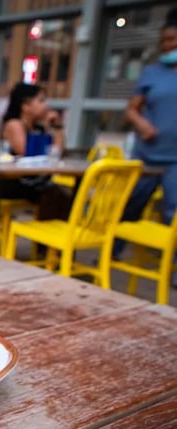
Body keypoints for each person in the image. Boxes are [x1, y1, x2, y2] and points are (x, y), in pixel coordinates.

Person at [114, 15, 177, 281]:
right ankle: (112, 251)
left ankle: (172, 270)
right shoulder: (151, 73)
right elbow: (132, 109)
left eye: (172, 39)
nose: (166, 45)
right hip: (146, 155)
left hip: (175, 158)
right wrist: (143, 125)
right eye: (163, 40)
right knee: (131, 204)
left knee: (173, 211)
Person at [0, 82, 71, 220]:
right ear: (26, 106)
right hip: (13, 182)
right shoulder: (14, 125)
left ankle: (54, 237)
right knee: (54, 195)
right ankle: (44, 239)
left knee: (64, 195)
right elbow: (26, 153)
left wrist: (58, 127)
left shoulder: (39, 128)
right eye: (41, 101)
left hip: (35, 182)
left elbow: (57, 153)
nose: (46, 106)